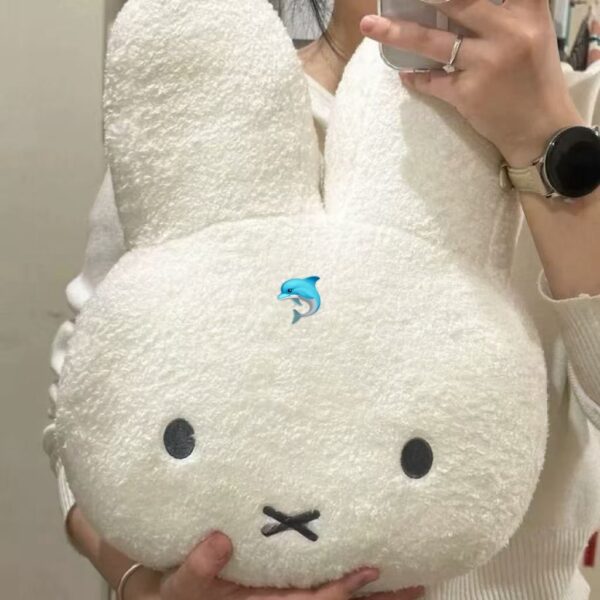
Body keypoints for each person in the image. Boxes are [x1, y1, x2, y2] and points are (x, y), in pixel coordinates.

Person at [44, 0, 600, 598]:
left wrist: (547, 140)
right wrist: (142, 586)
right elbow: (87, 413)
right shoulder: (208, 109)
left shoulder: (581, 113)